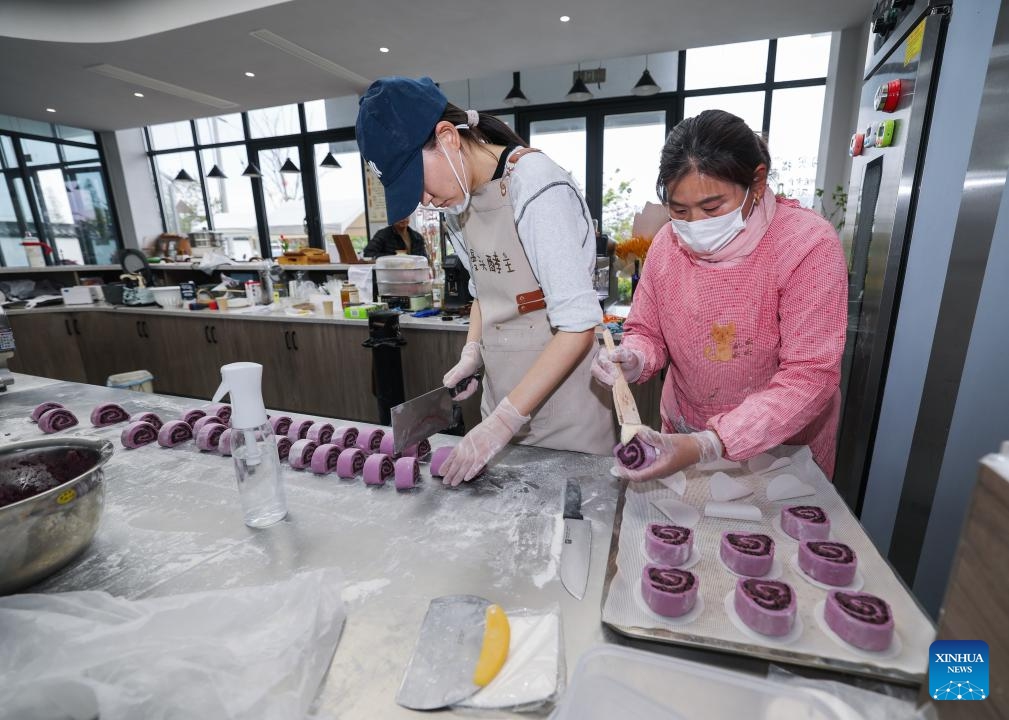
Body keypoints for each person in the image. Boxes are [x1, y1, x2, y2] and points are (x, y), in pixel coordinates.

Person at [357, 77, 615, 486]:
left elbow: (578, 326)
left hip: (565, 414)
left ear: (447, 138)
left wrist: (504, 422)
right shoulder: (458, 205)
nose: (422, 199)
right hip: (502, 405)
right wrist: (473, 352)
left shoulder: (535, 183)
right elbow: (485, 294)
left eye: (417, 182)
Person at [593, 109, 847, 481]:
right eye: (680, 210)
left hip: (781, 448)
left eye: (712, 208)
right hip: (683, 435)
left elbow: (810, 374)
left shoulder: (806, 244)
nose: (695, 225)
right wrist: (635, 357)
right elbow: (647, 330)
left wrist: (713, 442)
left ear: (756, 183)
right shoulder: (667, 243)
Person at [363, 216, 428, 259]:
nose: (403, 219)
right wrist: (393, 258)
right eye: (399, 216)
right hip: (391, 275)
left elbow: (424, 258)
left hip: (413, 275)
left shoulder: (417, 237)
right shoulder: (383, 234)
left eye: (406, 215)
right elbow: (368, 253)